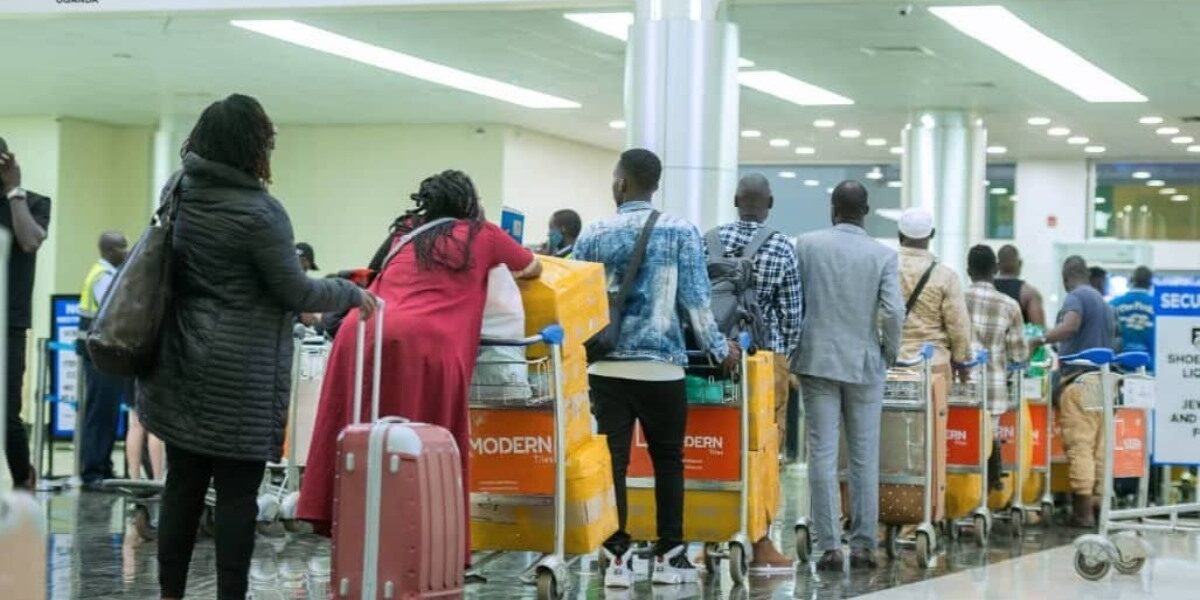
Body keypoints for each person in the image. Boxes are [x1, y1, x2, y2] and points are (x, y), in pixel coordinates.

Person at [137, 94, 373, 600]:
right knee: (239, 496)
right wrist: (351, 292)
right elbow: (296, 291)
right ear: (254, 145)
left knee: (182, 486)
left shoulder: (178, 190)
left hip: (178, 357)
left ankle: (170, 594)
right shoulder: (261, 212)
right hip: (238, 371)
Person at [297, 170, 542, 567]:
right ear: (469, 202)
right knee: (424, 444)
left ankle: (358, 537)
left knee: (361, 436)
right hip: (426, 343)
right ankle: (421, 544)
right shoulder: (483, 234)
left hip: (360, 332)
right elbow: (532, 268)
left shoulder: (406, 233)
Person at [572, 148, 736, 587]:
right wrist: (721, 352)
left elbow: (579, 306)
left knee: (615, 463)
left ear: (622, 182)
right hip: (662, 368)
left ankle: (618, 558)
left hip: (606, 370)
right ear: (655, 184)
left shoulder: (593, 232)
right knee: (668, 460)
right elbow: (698, 304)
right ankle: (669, 556)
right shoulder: (680, 230)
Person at [792, 181, 904, 571]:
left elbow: (794, 302)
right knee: (863, 456)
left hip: (816, 361)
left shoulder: (805, 245)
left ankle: (829, 547)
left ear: (832, 208)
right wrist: (887, 351)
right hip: (864, 364)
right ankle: (862, 545)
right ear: (866, 210)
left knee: (821, 455)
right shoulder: (882, 255)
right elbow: (893, 312)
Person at [707, 173, 799, 573]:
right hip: (765, 360)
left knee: (713, 440)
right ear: (770, 203)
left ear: (734, 200)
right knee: (764, 450)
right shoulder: (781, 245)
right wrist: (783, 357)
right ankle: (761, 542)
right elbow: (793, 315)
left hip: (712, 358)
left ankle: (707, 533)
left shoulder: (707, 240)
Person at [1031, 255, 1116, 527]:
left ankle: (1082, 514)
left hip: (1080, 379)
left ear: (1066, 278)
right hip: (1104, 380)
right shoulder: (1103, 302)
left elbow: (1071, 326)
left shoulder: (1075, 297)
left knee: (1080, 445)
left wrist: (1040, 339)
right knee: (1099, 448)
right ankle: (1099, 507)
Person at [0, 137, 51, 491]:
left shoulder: (31, 202)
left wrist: (14, 189)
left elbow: (30, 241)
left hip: (8, 325)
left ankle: (23, 484)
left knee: (6, 416)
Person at [964, 245, 1028, 491]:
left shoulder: (956, 298)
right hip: (993, 388)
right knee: (988, 436)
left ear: (968, 270)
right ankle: (987, 490)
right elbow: (1019, 354)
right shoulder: (1010, 305)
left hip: (958, 387)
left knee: (959, 440)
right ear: (995, 269)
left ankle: (960, 498)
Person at [78, 231, 132, 489]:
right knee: (99, 415)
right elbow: (115, 311)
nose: (127, 250)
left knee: (108, 414)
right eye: (122, 246)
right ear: (109, 250)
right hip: (99, 356)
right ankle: (92, 473)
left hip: (104, 355)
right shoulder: (103, 276)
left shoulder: (107, 273)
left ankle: (104, 467)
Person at [896, 207, 972, 374]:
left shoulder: (885, 270)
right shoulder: (945, 276)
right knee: (933, 401)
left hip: (891, 363)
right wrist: (962, 361)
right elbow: (958, 324)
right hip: (933, 364)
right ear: (932, 234)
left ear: (899, 234)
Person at [1110, 266, 1155, 371]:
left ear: (1130, 281)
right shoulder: (1158, 306)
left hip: (1120, 366)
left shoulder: (1114, 304)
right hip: (1150, 365)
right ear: (1150, 283)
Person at [995, 244, 1047, 328]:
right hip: (1018, 340)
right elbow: (1038, 331)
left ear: (997, 265)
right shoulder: (1029, 293)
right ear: (1020, 263)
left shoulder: (985, 292)